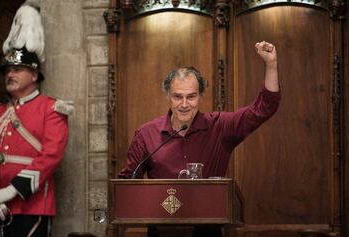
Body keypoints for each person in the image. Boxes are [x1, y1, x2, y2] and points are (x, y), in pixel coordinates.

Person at [118, 41, 280, 236]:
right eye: (177, 96)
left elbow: (263, 110)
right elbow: (127, 184)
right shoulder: (146, 134)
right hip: (161, 231)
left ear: (201, 97)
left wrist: (271, 64)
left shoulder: (220, 127)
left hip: (207, 232)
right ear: (168, 96)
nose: (184, 104)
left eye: (191, 96)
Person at [0, 2, 73, 236]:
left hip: (31, 208)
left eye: (17, 69)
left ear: (34, 74)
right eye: (7, 70)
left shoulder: (51, 109)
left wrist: (8, 192)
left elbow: (49, 157)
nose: (10, 74)